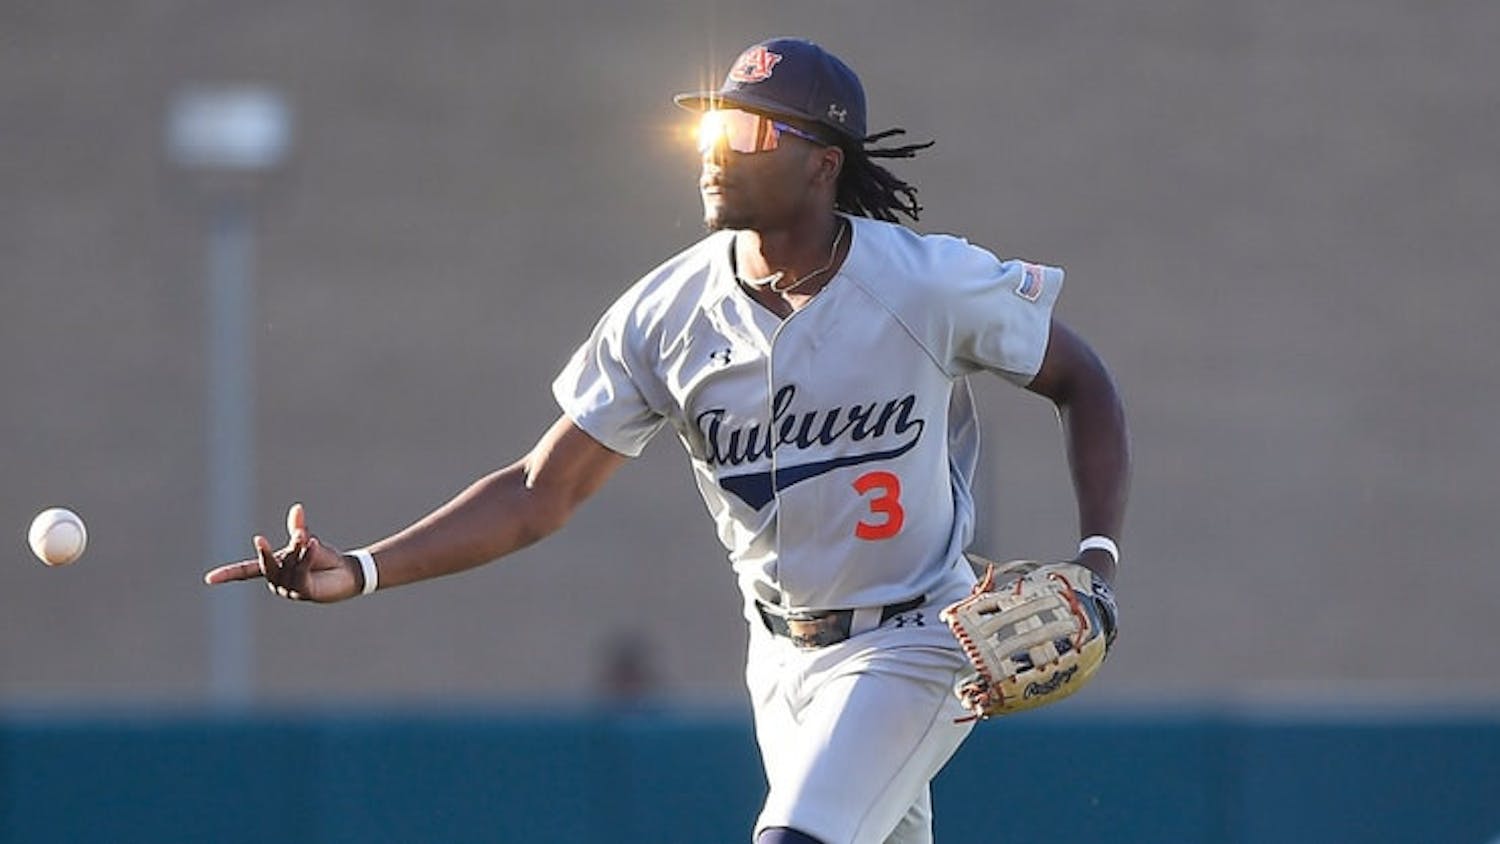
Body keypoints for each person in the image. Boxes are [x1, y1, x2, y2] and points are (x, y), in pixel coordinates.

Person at [204, 36, 1131, 844]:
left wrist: (1096, 562)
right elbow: (540, 492)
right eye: (708, 128)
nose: (714, 152)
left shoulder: (925, 285)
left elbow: (1083, 382)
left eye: (750, 131)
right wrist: (360, 568)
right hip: (779, 660)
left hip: (921, 635)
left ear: (823, 163)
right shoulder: (665, 314)